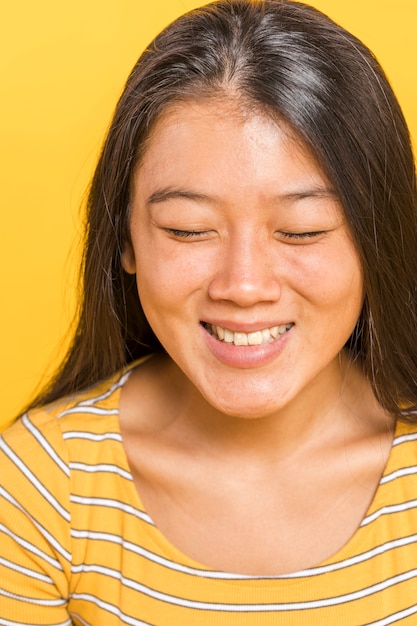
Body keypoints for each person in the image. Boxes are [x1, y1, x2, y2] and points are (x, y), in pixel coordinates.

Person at [1, 0, 417, 623]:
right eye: (188, 229)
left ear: (377, 240)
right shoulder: (44, 487)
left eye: (302, 230)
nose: (243, 286)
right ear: (125, 241)